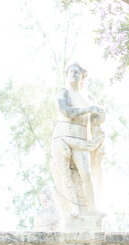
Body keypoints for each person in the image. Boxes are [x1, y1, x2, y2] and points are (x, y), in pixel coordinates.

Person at [50, 62, 105, 222]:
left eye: (77, 72)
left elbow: (97, 120)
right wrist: (88, 109)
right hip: (63, 137)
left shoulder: (89, 98)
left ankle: (93, 209)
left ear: (82, 76)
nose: (74, 74)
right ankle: (74, 209)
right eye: (71, 71)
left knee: (86, 173)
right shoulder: (64, 92)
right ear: (66, 75)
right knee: (65, 174)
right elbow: (66, 111)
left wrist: (100, 116)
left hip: (81, 139)